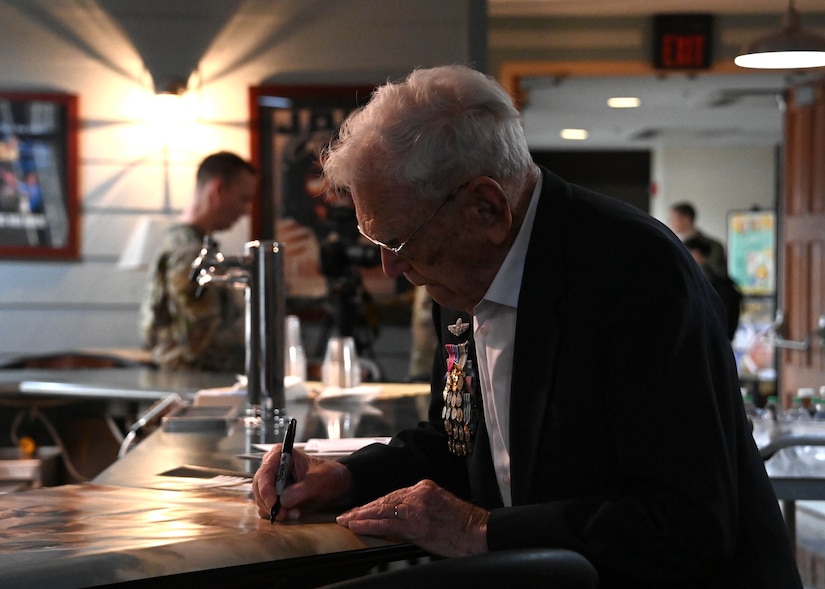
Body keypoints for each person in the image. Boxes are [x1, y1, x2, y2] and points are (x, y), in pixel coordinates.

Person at [252, 66, 801, 588]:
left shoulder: (637, 275)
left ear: (486, 209)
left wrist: (478, 530)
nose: (389, 268)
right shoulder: (458, 269)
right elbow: (459, 442)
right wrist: (345, 476)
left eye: (396, 242)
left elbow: (685, 524)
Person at [140, 151, 256, 372]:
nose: (245, 211)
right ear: (218, 189)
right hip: (197, 385)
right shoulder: (189, 253)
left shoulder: (188, 245)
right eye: (243, 199)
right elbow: (199, 341)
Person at [685, 236, 743, 341]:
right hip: (720, 339)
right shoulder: (720, 279)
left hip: (711, 338)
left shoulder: (706, 280)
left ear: (697, 253)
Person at [667, 201, 728, 277]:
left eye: (673, 218)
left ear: (687, 219)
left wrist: (702, 263)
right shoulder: (671, 245)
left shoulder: (714, 246)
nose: (670, 222)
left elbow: (721, 276)